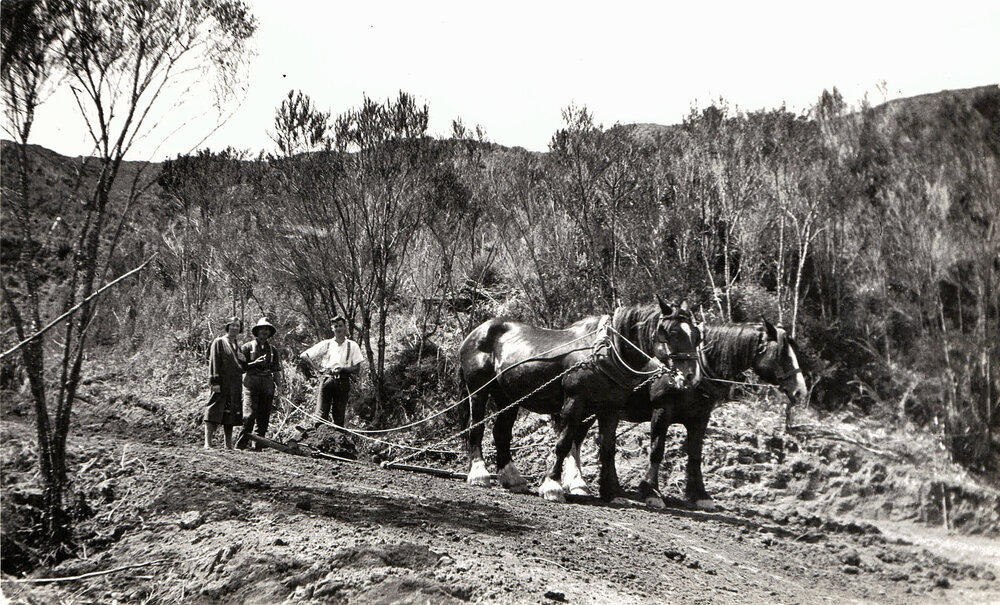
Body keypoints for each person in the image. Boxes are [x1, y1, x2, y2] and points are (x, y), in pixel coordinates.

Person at [299, 315, 364, 428]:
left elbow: (357, 369)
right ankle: (318, 439)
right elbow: (304, 355)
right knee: (320, 414)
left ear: (345, 327)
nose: (338, 329)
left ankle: (337, 442)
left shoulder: (352, 345)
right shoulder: (327, 344)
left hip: (343, 381)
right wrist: (318, 368)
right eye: (335, 326)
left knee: (339, 417)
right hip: (327, 380)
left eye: (340, 326)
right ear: (332, 328)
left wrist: (343, 369)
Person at [236, 317, 284, 450]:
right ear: (257, 331)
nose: (264, 332)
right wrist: (255, 363)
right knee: (249, 415)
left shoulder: (273, 350)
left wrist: (279, 387)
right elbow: (240, 368)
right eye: (262, 329)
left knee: (264, 416)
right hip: (251, 382)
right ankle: (241, 445)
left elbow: (276, 370)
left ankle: (258, 446)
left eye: (267, 329)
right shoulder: (246, 347)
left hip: (267, 384)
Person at [204, 316, 246, 449]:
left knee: (231, 412)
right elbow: (214, 362)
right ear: (227, 327)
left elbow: (242, 367)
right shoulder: (219, 342)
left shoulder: (237, 345)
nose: (234, 328)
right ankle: (208, 443)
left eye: (237, 326)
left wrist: (243, 359)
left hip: (235, 384)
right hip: (222, 382)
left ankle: (228, 445)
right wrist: (214, 382)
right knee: (214, 409)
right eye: (232, 325)